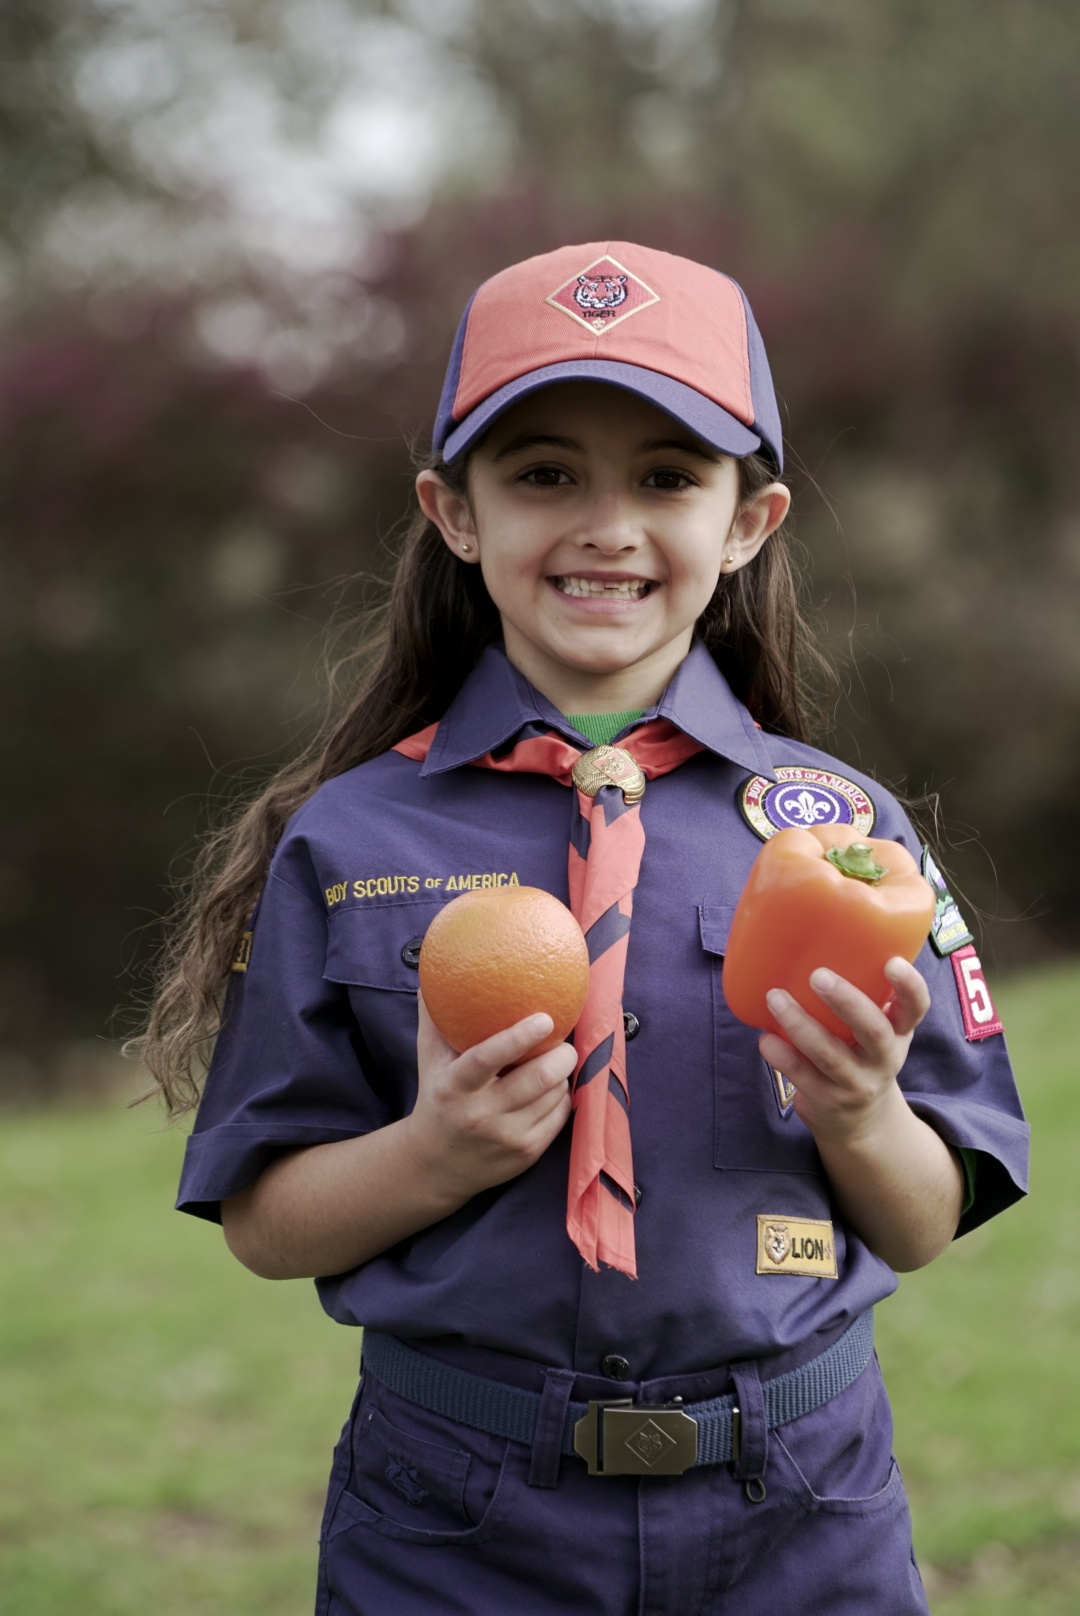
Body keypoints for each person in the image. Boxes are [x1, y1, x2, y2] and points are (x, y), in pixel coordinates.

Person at [145, 242, 1029, 1614]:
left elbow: (925, 1224)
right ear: (453, 511)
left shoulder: (846, 839)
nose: (607, 525)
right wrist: (435, 1154)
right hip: (454, 1517)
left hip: (799, 1508)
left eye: (669, 477)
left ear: (748, 519)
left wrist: (861, 1114)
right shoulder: (351, 839)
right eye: (544, 473)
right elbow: (265, 1220)